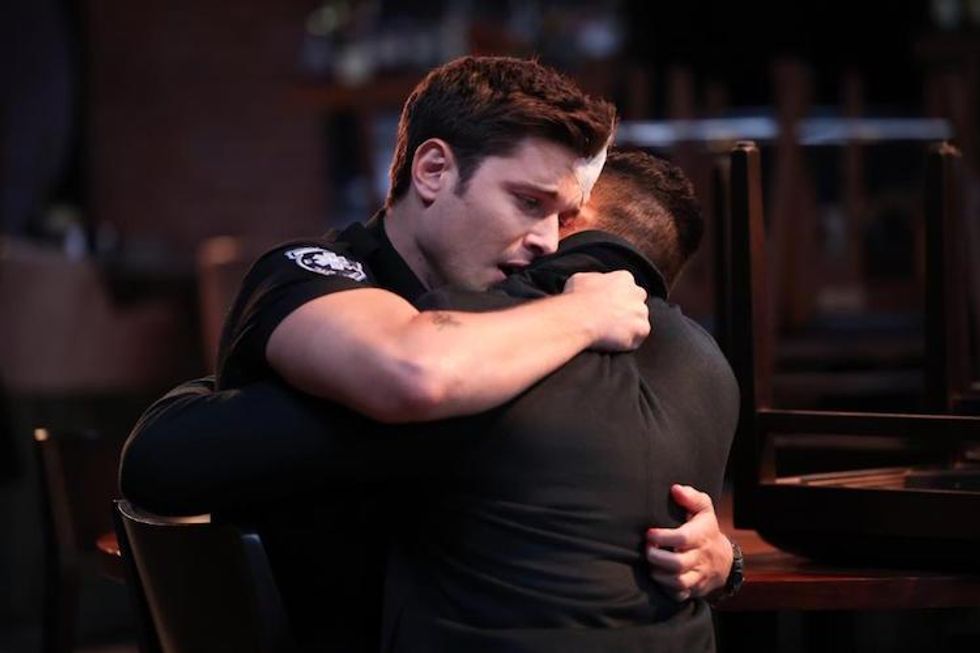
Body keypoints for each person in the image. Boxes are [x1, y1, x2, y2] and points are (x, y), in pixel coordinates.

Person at [122, 149, 740, 651]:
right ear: (434, 173)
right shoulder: (334, 282)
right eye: (530, 203)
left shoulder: (561, 350)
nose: (541, 237)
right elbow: (165, 457)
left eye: (554, 213)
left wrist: (721, 559)